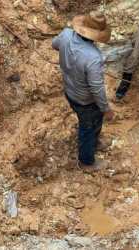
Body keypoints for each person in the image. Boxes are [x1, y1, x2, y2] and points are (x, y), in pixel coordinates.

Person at [52, 11, 114, 171]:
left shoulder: (66, 34)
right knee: (87, 126)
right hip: (85, 100)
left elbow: (54, 44)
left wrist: (70, 54)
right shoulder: (93, 57)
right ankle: (86, 161)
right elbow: (96, 88)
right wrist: (106, 108)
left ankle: (95, 141)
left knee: (95, 119)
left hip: (69, 91)